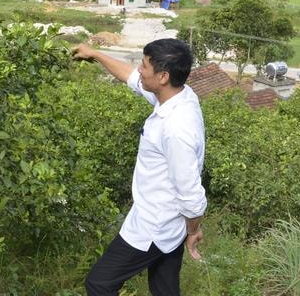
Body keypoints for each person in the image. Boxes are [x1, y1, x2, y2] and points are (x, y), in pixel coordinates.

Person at [72, 39, 206, 296]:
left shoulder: (176, 129)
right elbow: (132, 78)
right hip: (170, 223)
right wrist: (95, 54)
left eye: (144, 66)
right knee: (164, 290)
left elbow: (191, 194)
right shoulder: (179, 96)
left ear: (163, 76)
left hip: (154, 225)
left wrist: (194, 230)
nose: (140, 70)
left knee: (99, 284)